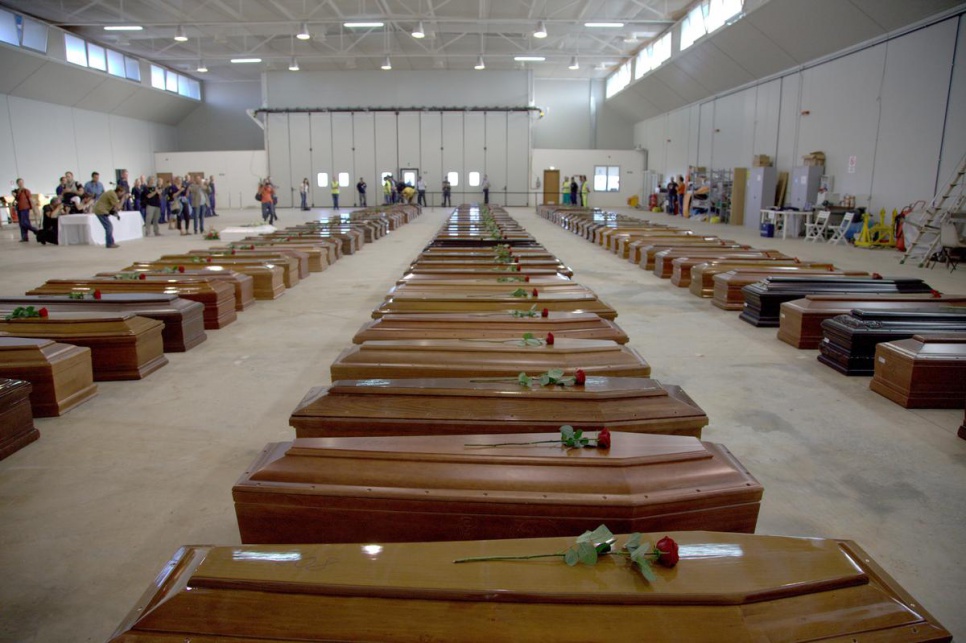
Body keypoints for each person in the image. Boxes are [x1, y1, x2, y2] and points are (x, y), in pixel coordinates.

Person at [12, 178, 40, 242]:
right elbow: (15, 197)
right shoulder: (16, 191)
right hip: (19, 208)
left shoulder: (26, 191)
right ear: (17, 183)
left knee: (24, 222)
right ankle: (24, 237)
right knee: (21, 224)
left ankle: (35, 230)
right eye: (19, 182)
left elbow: (30, 199)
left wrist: (34, 209)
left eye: (22, 182)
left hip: (25, 208)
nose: (21, 184)